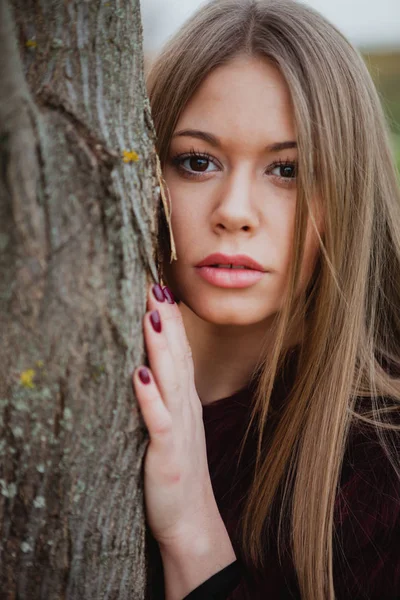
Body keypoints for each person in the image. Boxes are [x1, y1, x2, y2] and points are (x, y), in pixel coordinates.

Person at [132, 0, 400, 598]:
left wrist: (191, 526)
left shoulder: (381, 468)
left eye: (288, 171)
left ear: (348, 197)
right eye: (196, 161)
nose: (233, 212)